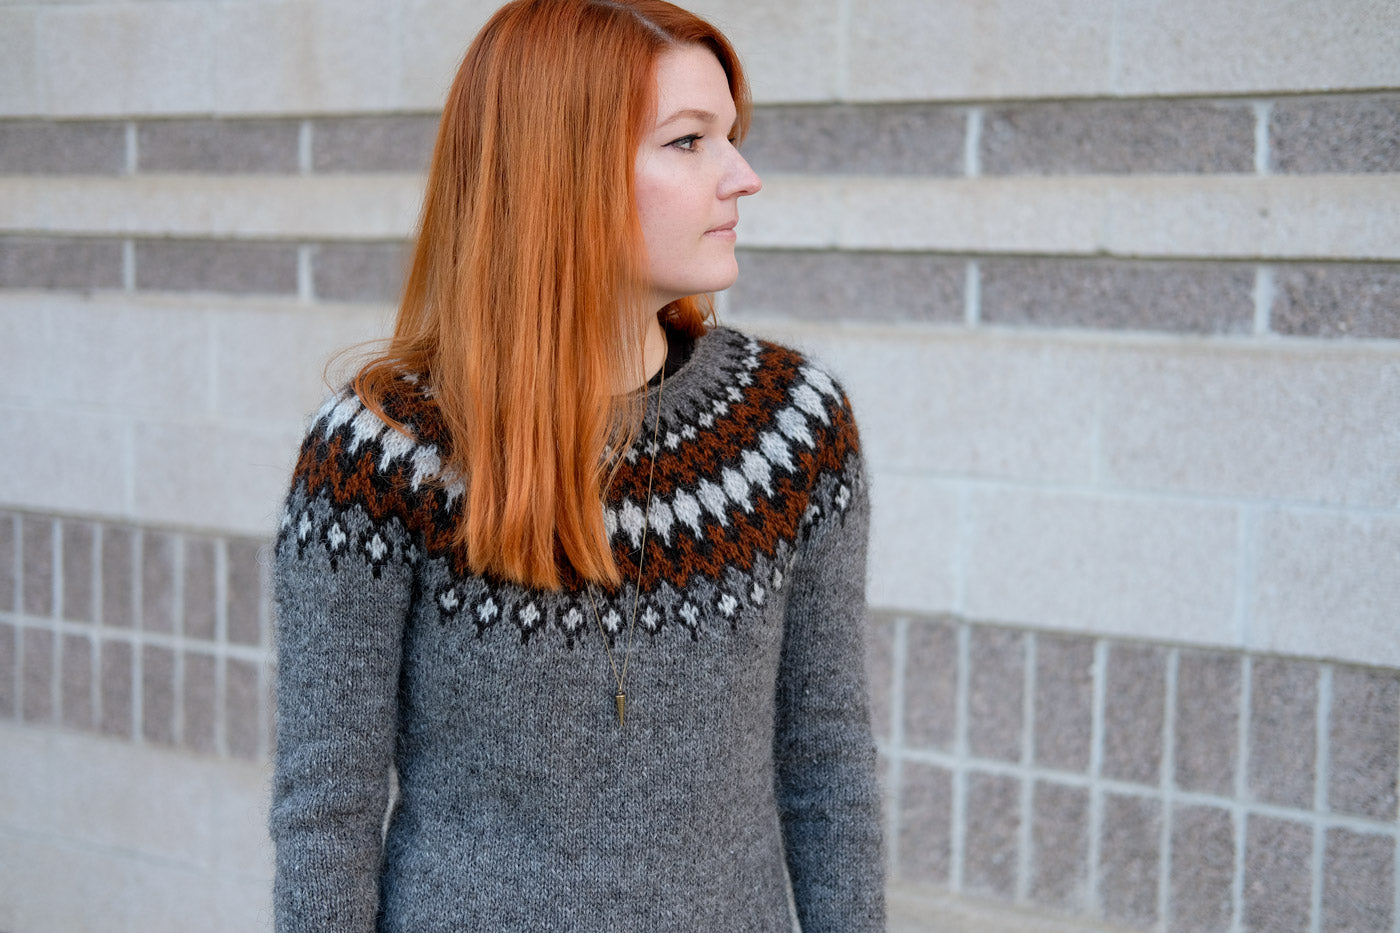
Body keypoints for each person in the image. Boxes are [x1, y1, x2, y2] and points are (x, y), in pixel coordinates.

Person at [269, 0, 883, 929]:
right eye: (689, 142)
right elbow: (328, 813)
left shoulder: (792, 427)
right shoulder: (380, 457)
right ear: (565, 173)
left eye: (732, 138)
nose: (742, 177)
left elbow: (827, 762)